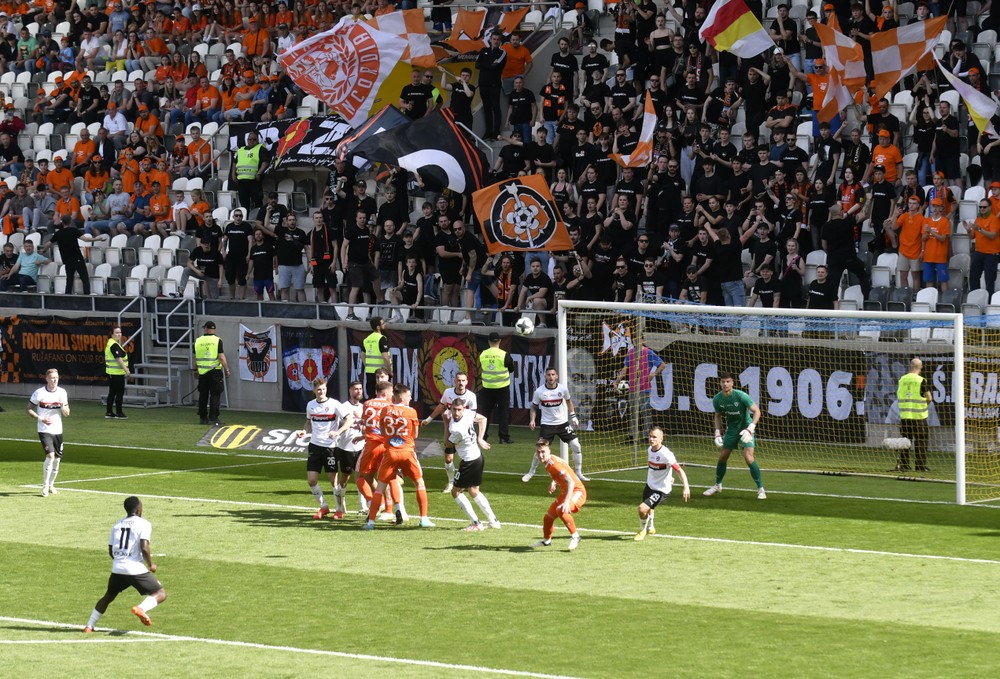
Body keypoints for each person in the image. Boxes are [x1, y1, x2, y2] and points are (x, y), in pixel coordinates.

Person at [83, 496, 167, 632]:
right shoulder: (144, 523)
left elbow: (111, 551)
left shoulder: (117, 525)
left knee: (108, 596)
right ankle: (141, 608)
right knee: (160, 593)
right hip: (134, 568)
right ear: (138, 509)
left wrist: (120, 561)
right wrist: (151, 565)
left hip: (118, 568)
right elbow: (144, 547)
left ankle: (89, 626)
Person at [364, 383, 434, 530]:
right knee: (419, 483)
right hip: (407, 452)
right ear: (402, 397)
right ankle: (424, 519)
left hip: (390, 452)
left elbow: (383, 431)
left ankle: (371, 523)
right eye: (409, 396)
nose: (410, 398)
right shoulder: (411, 412)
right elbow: (415, 434)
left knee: (380, 488)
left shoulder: (385, 410)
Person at [704, 371, 766, 500]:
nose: (725, 384)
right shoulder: (717, 399)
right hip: (732, 429)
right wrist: (717, 432)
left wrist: (750, 428)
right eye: (723, 382)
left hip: (746, 428)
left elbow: (757, 411)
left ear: (732, 383)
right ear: (720, 383)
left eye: (728, 381)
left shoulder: (741, 396)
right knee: (722, 457)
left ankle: (761, 489)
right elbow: (717, 416)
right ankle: (718, 485)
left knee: (749, 458)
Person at [300, 377, 354, 519]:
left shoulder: (334, 404)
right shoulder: (310, 405)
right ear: (314, 390)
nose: (321, 392)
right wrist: (304, 431)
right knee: (312, 480)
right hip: (314, 446)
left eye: (324, 389)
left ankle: (339, 509)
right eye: (319, 389)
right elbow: (308, 422)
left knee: (333, 481)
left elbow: (349, 420)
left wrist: (338, 432)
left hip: (330, 447)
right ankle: (323, 507)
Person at [443, 398, 500, 531]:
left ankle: (476, 523)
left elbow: (447, 444)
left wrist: (445, 423)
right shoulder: (468, 414)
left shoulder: (457, 429)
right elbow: (482, 419)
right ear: (451, 408)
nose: (456, 413)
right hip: (478, 457)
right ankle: (493, 520)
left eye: (459, 410)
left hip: (469, 461)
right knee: (474, 490)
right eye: (454, 410)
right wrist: (480, 438)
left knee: (456, 492)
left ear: (463, 409)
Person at [524, 367, 588, 482]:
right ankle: (531, 472)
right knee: (540, 449)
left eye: (553, 374)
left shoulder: (563, 389)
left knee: (576, 445)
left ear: (556, 376)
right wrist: (532, 420)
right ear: (545, 376)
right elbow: (533, 407)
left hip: (562, 423)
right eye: (548, 375)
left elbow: (569, 401)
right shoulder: (539, 391)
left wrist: (573, 416)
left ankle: (579, 473)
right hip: (547, 425)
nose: (551, 377)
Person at [421, 371, 478, 492]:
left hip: (464, 433)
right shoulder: (448, 392)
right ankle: (451, 482)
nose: (461, 383)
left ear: (467, 382)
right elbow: (441, 406)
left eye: (463, 380)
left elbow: (473, 416)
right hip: (451, 430)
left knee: (467, 457)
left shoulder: (471, 396)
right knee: (448, 459)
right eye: (458, 380)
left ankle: (467, 482)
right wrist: (429, 419)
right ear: (454, 381)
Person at [634, 426, 690, 541]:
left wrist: (686, 487)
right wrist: (669, 476)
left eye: (654, 437)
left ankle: (642, 530)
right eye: (650, 436)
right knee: (649, 507)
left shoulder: (666, 454)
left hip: (661, 490)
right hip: (650, 485)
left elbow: (679, 470)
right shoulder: (649, 449)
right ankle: (651, 527)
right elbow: (658, 468)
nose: (651, 439)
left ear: (661, 439)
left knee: (642, 509)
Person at [530, 440, 585, 551]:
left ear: (549, 451)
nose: (540, 455)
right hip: (565, 492)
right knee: (548, 517)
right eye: (538, 452)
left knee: (561, 509)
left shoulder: (554, 465)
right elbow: (562, 473)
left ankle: (576, 536)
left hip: (577, 492)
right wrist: (554, 482)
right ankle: (546, 541)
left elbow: (571, 482)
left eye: (543, 452)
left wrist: (566, 501)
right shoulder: (549, 462)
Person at [27, 368, 70, 497]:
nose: (55, 380)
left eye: (56, 377)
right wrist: (40, 419)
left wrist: (62, 406)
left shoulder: (62, 392)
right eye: (52, 378)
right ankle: (45, 486)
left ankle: (51, 485)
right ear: (46, 379)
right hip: (44, 430)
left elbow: (67, 414)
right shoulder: (39, 393)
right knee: (50, 456)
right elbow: (28, 409)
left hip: (58, 430)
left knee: (57, 459)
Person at [612, 339, 666, 437]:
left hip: (644, 388)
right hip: (632, 388)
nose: (636, 341)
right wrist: (616, 381)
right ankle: (632, 436)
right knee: (633, 413)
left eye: (638, 338)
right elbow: (625, 368)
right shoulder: (630, 352)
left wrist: (653, 374)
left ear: (642, 340)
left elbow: (662, 364)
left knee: (645, 413)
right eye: (634, 339)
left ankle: (646, 436)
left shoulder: (648, 352)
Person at [334, 380, 366, 516]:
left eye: (360, 389)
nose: (358, 391)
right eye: (356, 389)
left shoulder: (364, 407)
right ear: (350, 391)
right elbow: (340, 423)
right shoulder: (343, 407)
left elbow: (367, 425)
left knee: (361, 475)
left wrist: (363, 427)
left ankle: (363, 506)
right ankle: (341, 502)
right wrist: (351, 424)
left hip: (361, 446)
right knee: (345, 476)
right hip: (345, 446)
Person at [478, 331, 514, 445]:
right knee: (503, 413)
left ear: (488, 341)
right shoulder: (504, 355)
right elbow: (511, 369)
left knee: (486, 413)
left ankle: (483, 436)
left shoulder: (483, 354)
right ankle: (503, 438)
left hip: (487, 387)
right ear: (499, 341)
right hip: (502, 387)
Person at [896, 358, 931, 472]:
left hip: (905, 416)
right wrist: (923, 405)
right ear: (920, 367)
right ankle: (920, 466)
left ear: (910, 366)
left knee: (905, 441)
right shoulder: (921, 380)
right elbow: (929, 398)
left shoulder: (902, 379)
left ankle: (904, 464)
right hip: (919, 416)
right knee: (921, 441)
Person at [193, 320, 230, 425]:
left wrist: (195, 370)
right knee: (215, 395)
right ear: (214, 330)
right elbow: (221, 357)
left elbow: (194, 358)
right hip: (215, 371)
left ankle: (202, 418)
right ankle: (213, 418)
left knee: (203, 395)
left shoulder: (198, 341)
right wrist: (227, 369)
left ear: (205, 329)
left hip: (202, 372)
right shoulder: (218, 340)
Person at [231, 129, 270, 211]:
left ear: (258, 140)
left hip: (254, 181)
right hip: (241, 181)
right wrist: (233, 174)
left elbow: (265, 162)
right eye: (250, 139)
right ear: (247, 140)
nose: (252, 141)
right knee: (243, 203)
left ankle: (257, 217)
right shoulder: (240, 150)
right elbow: (235, 163)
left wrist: (259, 173)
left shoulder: (260, 149)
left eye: (254, 139)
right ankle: (246, 216)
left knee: (257, 201)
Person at [360, 316, 392, 399]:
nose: (384, 325)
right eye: (383, 324)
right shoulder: (381, 338)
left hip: (369, 373)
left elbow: (362, 355)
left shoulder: (367, 339)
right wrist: (389, 371)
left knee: (372, 397)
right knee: (383, 397)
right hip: (381, 373)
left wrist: (367, 365)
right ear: (378, 327)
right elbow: (385, 357)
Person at [104, 326, 130, 420]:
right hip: (116, 373)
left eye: (120, 332)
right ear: (111, 334)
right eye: (116, 332)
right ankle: (119, 413)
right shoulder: (113, 344)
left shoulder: (112, 343)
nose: (119, 334)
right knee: (119, 393)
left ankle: (109, 412)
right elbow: (118, 358)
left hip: (113, 373)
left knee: (112, 393)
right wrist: (126, 369)